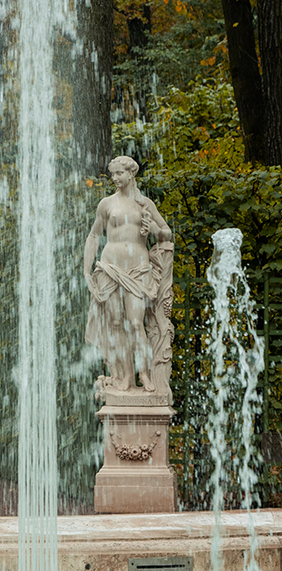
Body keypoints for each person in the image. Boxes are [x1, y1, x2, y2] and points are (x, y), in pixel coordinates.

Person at [83, 156, 173, 394]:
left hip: (137, 269)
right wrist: (86, 269)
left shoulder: (145, 205)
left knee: (135, 323)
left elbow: (166, 233)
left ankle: (143, 373)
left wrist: (152, 228)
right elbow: (93, 236)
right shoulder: (107, 204)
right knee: (115, 323)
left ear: (131, 174)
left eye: (119, 173)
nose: (115, 178)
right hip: (110, 268)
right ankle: (125, 377)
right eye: (113, 174)